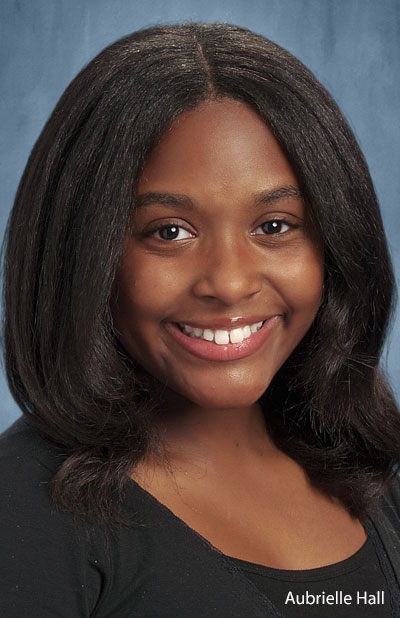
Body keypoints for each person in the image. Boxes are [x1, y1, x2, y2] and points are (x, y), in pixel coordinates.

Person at [0, 21, 399, 618]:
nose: (230, 282)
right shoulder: (23, 515)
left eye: (274, 226)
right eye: (170, 232)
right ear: (82, 253)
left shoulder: (368, 478)